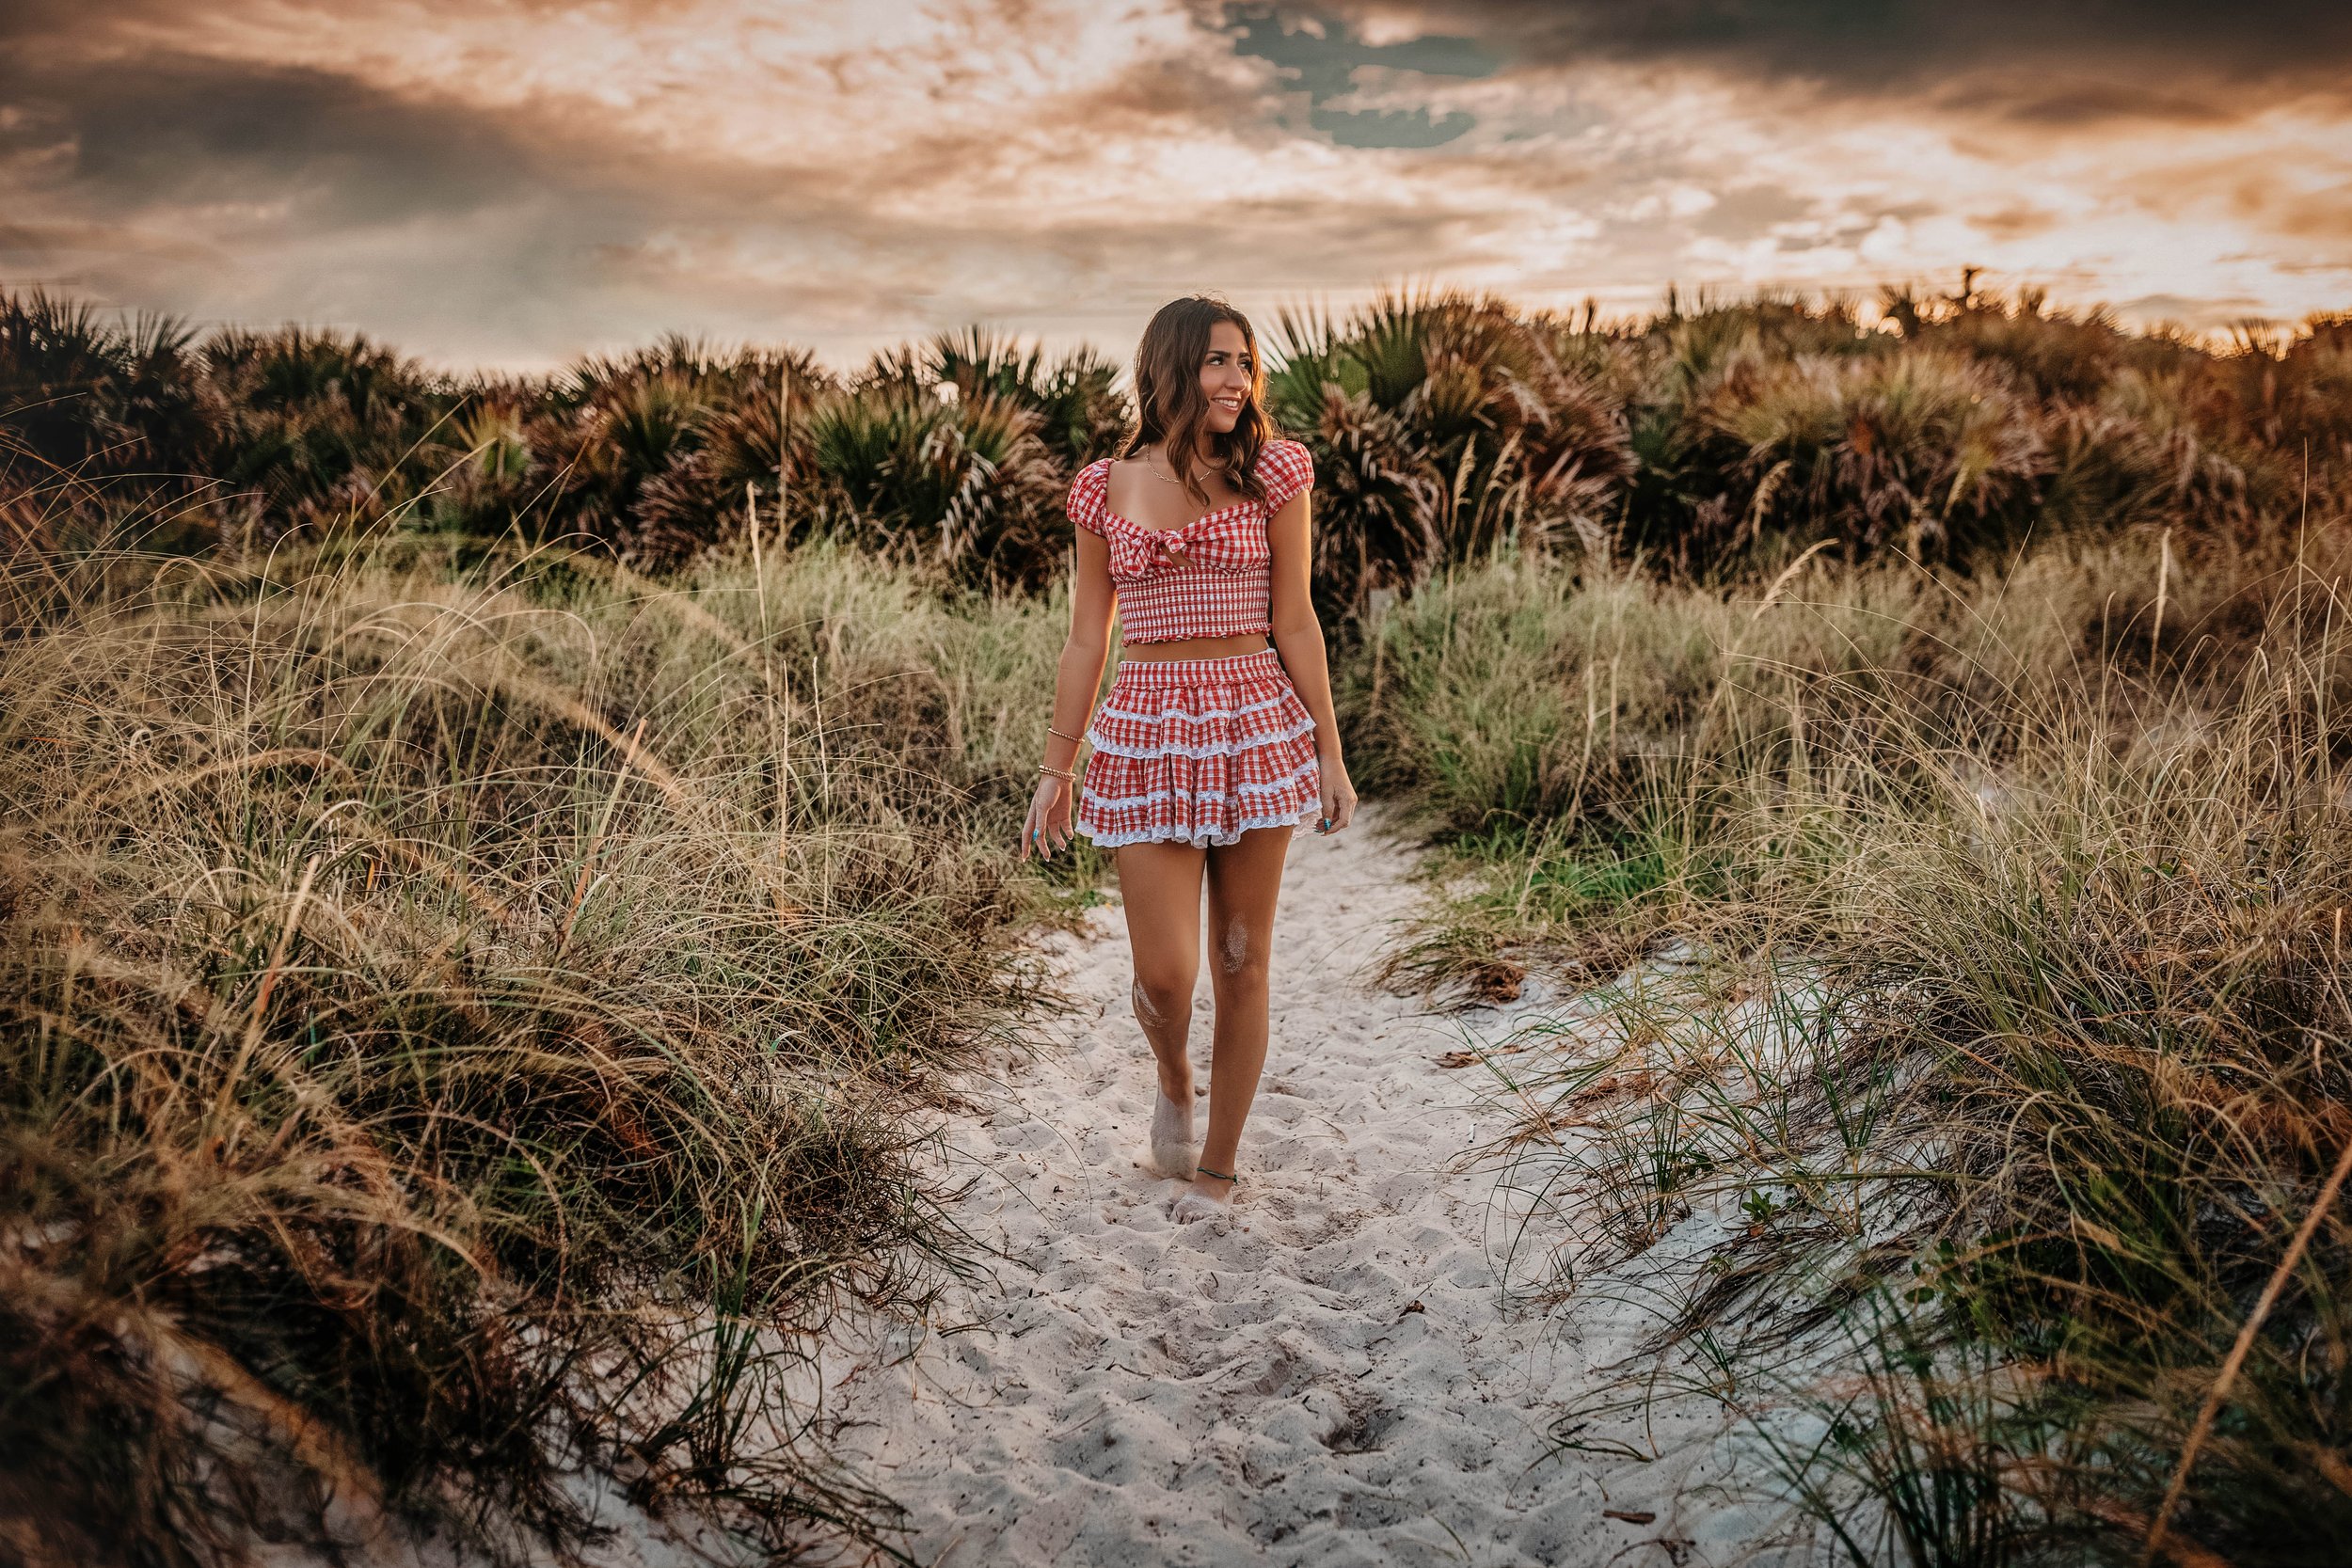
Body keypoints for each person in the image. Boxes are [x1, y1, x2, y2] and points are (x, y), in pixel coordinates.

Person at [1019, 294, 1358, 1224]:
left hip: (1254, 721)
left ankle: (1218, 1165)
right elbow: (1087, 639)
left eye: (1246, 364)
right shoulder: (1104, 486)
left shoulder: (1275, 476)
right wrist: (1058, 766)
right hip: (1145, 731)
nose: (1237, 381)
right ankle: (1172, 1071)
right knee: (1165, 975)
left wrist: (1329, 749)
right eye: (1217, 361)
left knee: (1243, 955)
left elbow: (1295, 617)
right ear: (1169, 365)